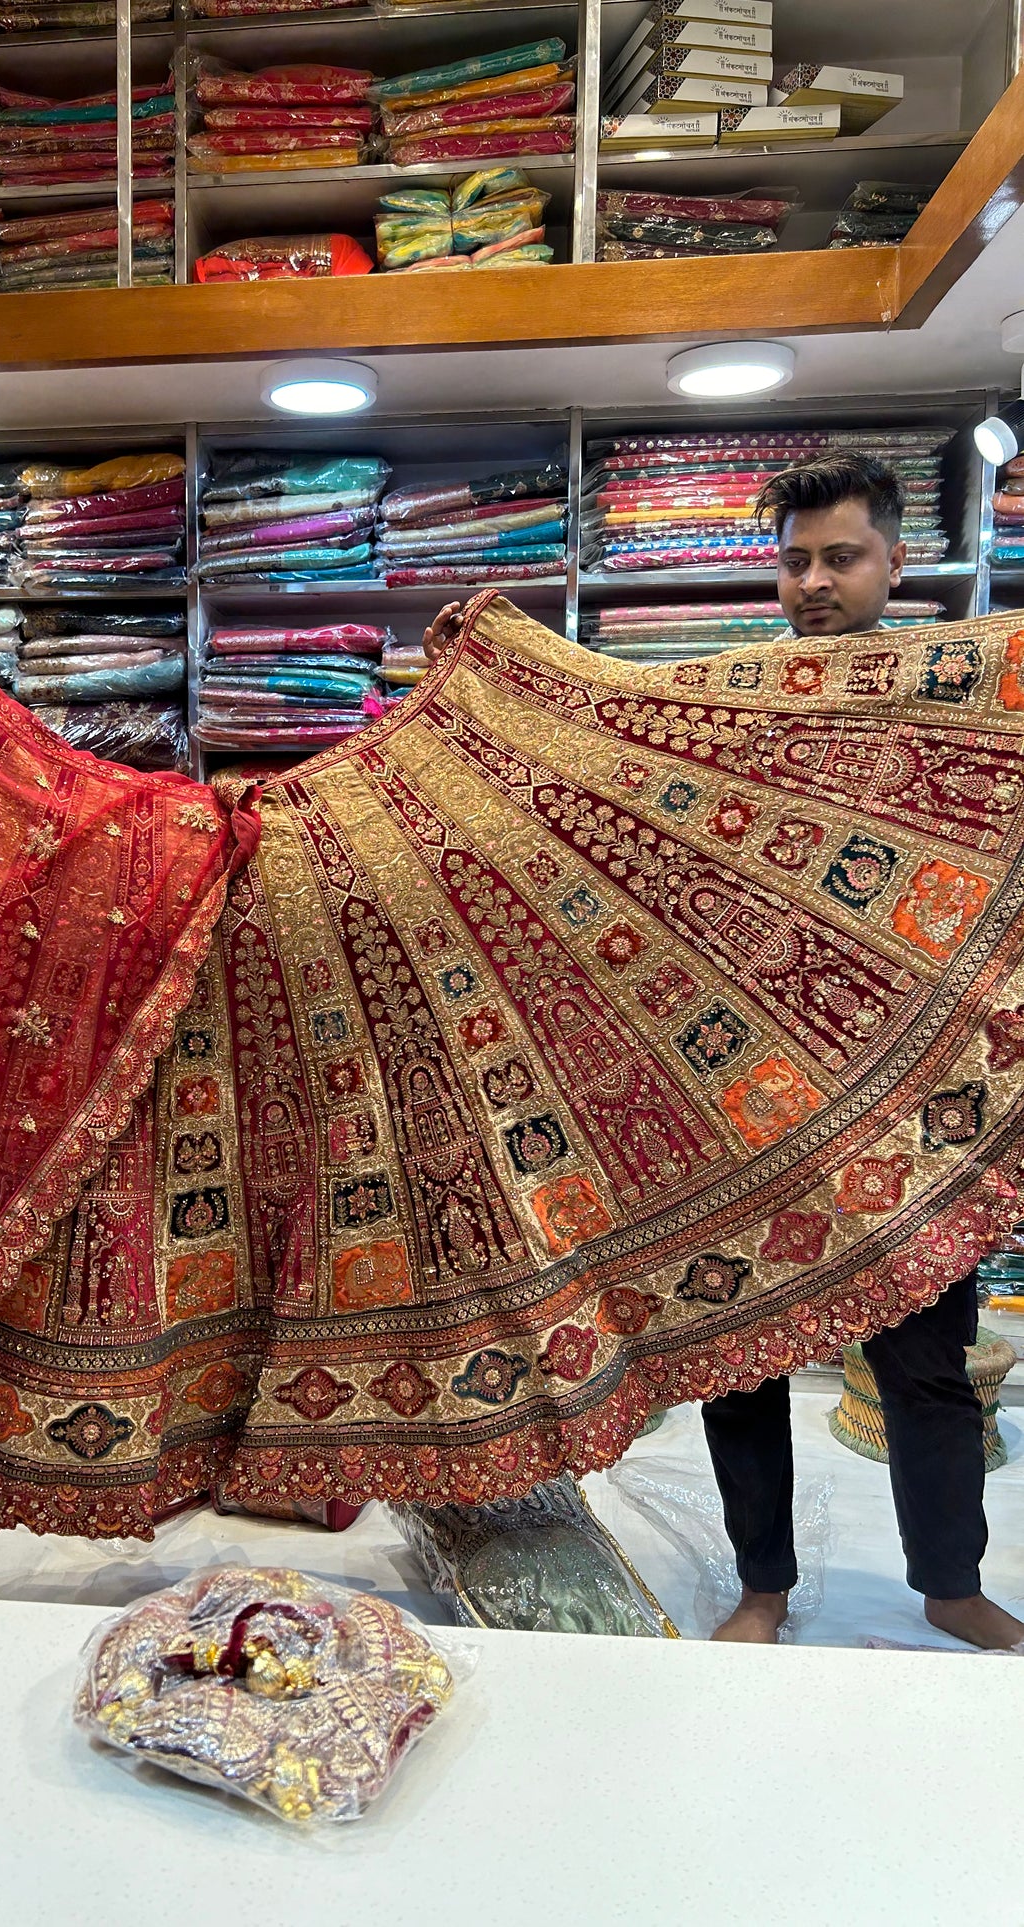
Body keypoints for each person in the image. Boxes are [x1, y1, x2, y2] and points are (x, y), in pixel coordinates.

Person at [425, 452, 1024, 1651]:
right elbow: (601, 754)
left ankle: (946, 1585)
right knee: (738, 1355)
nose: (812, 580)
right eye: (793, 558)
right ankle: (763, 1585)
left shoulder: (959, 691)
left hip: (909, 1096)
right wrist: (495, 669)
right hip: (736, 1093)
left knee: (923, 1363)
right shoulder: (733, 700)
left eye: (839, 556)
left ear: (895, 561)